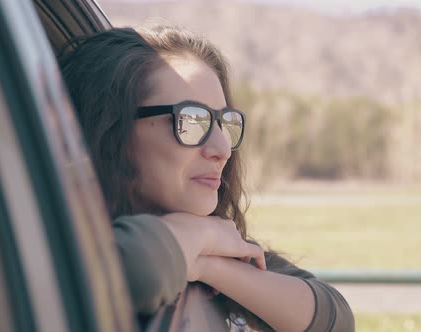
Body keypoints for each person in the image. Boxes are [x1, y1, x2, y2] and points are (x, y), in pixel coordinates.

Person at [59, 25, 354, 332]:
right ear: (110, 132)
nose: (223, 149)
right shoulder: (55, 240)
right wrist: (199, 238)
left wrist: (207, 263)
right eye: (191, 120)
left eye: (224, 122)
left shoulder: (213, 241)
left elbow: (336, 319)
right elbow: (127, 272)